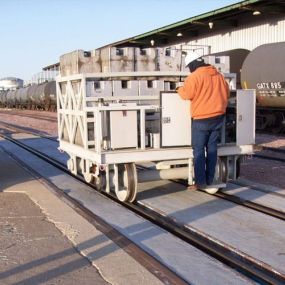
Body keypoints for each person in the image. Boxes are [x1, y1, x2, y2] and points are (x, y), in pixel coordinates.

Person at [176, 51, 229, 192]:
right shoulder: (219, 75)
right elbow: (227, 93)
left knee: (198, 151)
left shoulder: (195, 77)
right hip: (218, 118)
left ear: (193, 64)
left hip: (202, 119)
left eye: (189, 66)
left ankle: (200, 183)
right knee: (212, 149)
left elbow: (186, 94)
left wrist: (178, 89)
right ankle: (210, 179)